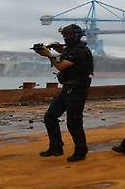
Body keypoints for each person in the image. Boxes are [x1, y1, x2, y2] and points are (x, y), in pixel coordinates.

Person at [36, 24, 93, 162]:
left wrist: (49, 55)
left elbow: (61, 66)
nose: (66, 38)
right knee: (50, 116)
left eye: (68, 35)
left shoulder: (79, 51)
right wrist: (59, 50)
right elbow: (67, 55)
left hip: (77, 89)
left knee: (74, 121)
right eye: (64, 35)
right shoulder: (73, 49)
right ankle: (56, 147)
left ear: (76, 36)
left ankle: (81, 151)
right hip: (68, 88)